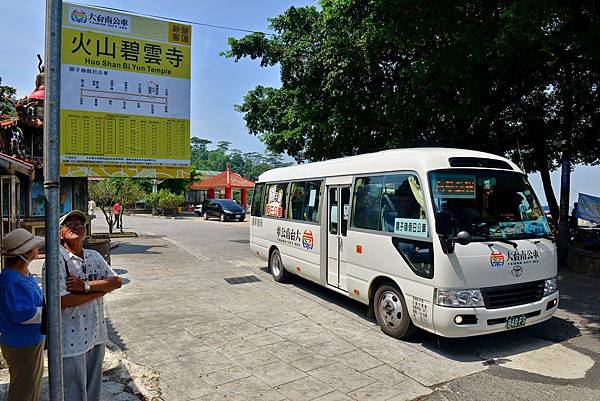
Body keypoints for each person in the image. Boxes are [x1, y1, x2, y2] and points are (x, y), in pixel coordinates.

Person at [48, 210, 122, 401]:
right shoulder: (55, 260)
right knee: (74, 392)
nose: (76, 226)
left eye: (80, 224)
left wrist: (86, 287)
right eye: (69, 224)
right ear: (60, 233)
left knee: (93, 388)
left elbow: (116, 281)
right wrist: (100, 291)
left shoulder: (94, 255)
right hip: (70, 340)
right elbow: (61, 301)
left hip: (96, 334)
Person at [0, 228, 45, 401]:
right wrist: (52, 313)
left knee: (31, 385)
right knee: (24, 390)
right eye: (33, 248)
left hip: (31, 340)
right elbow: (23, 315)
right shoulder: (12, 280)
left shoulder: (22, 273)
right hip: (22, 344)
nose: (36, 250)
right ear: (24, 253)